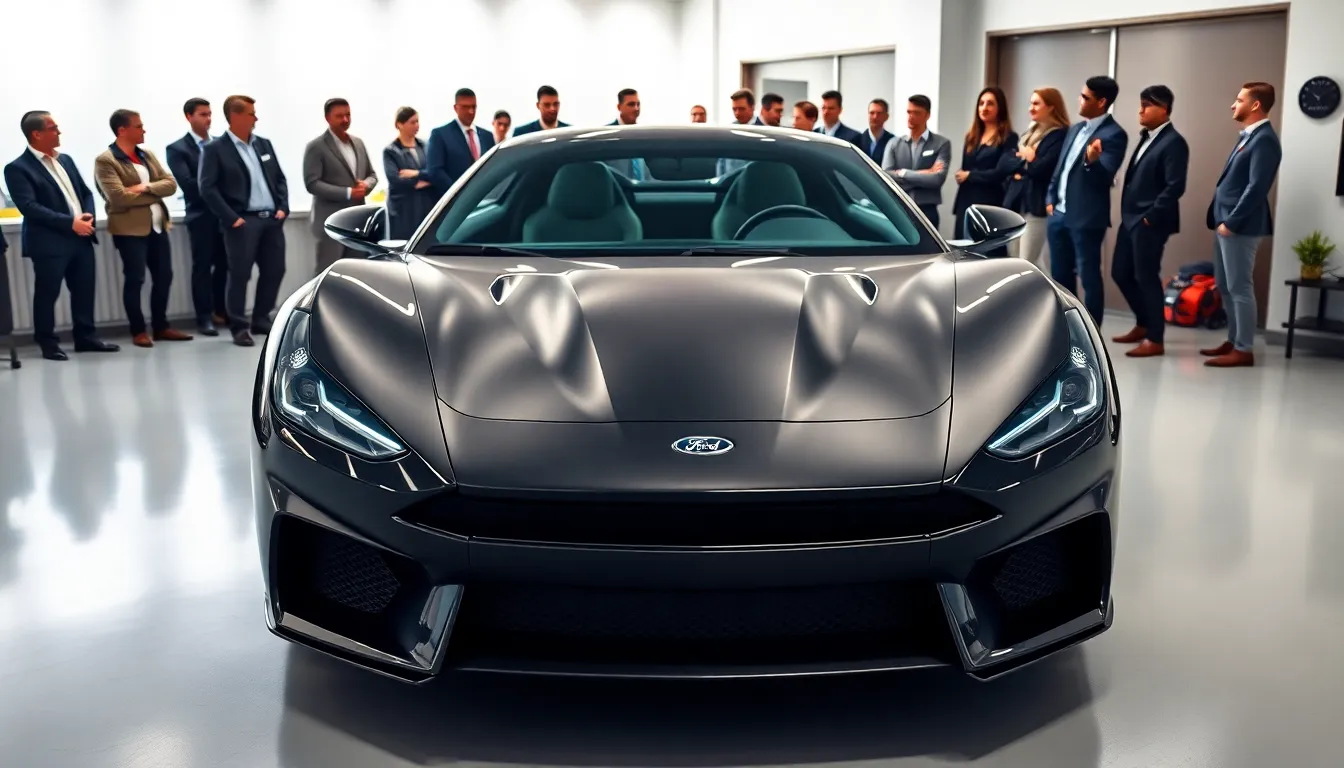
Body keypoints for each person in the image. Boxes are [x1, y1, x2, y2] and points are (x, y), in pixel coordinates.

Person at [3, 111, 119, 360]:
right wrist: (71, 223)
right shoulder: (17, 168)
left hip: (81, 237)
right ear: (37, 134)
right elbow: (30, 207)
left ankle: (86, 338)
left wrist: (86, 215)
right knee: (47, 294)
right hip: (49, 243)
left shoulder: (65, 160)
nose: (59, 132)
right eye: (53, 128)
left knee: (84, 290)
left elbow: (86, 193)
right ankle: (48, 343)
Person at [197, 94, 290, 347]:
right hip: (242, 222)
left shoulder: (264, 145)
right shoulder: (215, 149)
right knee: (239, 275)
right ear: (236, 116)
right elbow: (207, 188)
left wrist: (283, 206)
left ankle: (261, 318)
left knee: (275, 270)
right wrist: (231, 218)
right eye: (251, 113)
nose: (256, 117)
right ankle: (239, 326)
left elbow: (279, 179)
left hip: (271, 219)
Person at [94, 109, 192, 347]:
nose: (143, 130)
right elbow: (117, 198)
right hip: (129, 231)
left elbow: (170, 185)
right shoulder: (106, 160)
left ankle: (161, 326)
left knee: (164, 277)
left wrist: (142, 188)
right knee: (135, 279)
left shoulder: (146, 154)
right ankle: (138, 330)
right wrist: (152, 191)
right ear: (122, 130)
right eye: (138, 126)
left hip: (157, 226)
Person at [1201, 81, 1282, 368]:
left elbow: (1257, 187)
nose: (1233, 105)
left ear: (1255, 105)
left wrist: (1232, 221)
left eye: (1239, 100)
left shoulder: (1265, 140)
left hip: (1240, 226)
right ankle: (1233, 340)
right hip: (1225, 223)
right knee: (1225, 284)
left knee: (1239, 286)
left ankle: (1244, 349)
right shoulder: (1248, 136)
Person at [1111, 85, 1189, 358]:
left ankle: (1155, 339)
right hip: (1130, 219)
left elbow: (1175, 186)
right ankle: (1144, 323)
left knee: (1146, 277)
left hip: (1149, 222)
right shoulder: (1146, 138)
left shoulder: (1174, 142)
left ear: (1164, 109)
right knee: (1120, 273)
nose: (1140, 110)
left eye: (1147, 105)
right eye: (1140, 104)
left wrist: (1150, 217)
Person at [1045, 75, 1129, 326]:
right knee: (1059, 277)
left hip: (1086, 218)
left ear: (1102, 102)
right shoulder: (1075, 129)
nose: (1079, 101)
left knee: (1089, 277)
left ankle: (1091, 332)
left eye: (1085, 97)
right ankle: (1065, 326)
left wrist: (1092, 161)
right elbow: (1060, 169)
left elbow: (1104, 177)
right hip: (1058, 214)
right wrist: (1050, 197)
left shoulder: (1115, 135)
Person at [166, 98, 228, 336]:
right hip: (201, 216)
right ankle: (204, 317)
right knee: (202, 267)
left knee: (225, 266)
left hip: (225, 216)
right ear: (189, 117)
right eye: (203, 114)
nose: (208, 119)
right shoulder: (178, 149)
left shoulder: (222, 145)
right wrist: (217, 193)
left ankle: (222, 311)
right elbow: (190, 185)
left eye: (210, 114)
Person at [303, 98, 379, 273]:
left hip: (358, 224)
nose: (345, 120)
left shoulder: (358, 143)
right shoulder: (316, 146)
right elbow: (312, 183)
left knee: (357, 273)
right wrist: (347, 193)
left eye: (348, 115)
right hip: (331, 223)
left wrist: (365, 185)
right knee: (327, 273)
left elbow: (372, 175)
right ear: (327, 118)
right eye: (339, 116)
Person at [1002, 88, 1069, 268]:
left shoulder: (1059, 135)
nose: (1031, 108)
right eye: (1031, 103)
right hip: (1016, 204)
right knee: (1013, 261)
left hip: (1036, 206)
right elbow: (1006, 163)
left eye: (1036, 103)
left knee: (1026, 264)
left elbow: (1043, 170)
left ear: (1052, 107)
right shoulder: (1029, 133)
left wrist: (1030, 159)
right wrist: (1027, 160)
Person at [951, 87, 1018, 245]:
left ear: (999, 108)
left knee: (987, 255)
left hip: (990, 203)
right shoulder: (971, 136)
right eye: (981, 103)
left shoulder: (1008, 137)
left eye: (990, 104)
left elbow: (1000, 173)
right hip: (966, 202)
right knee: (962, 253)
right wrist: (962, 175)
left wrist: (970, 175)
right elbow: (965, 168)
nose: (984, 108)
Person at [881, 94, 951, 228]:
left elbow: (937, 179)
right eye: (908, 112)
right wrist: (925, 174)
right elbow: (886, 177)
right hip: (899, 208)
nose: (910, 117)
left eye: (916, 113)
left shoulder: (941, 143)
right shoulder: (894, 143)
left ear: (927, 115)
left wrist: (903, 174)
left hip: (927, 210)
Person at [426, 88, 495, 194]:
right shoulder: (441, 135)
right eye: (465, 107)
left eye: (473, 107)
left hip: (485, 198)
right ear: (455, 108)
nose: (471, 111)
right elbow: (435, 171)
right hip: (455, 202)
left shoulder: (487, 136)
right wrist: (458, 193)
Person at [383, 106, 436, 241]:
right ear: (400, 124)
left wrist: (415, 174)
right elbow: (395, 180)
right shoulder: (391, 151)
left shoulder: (425, 146)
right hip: (403, 209)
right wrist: (421, 181)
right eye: (412, 122)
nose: (417, 125)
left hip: (425, 206)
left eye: (417, 121)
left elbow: (434, 172)